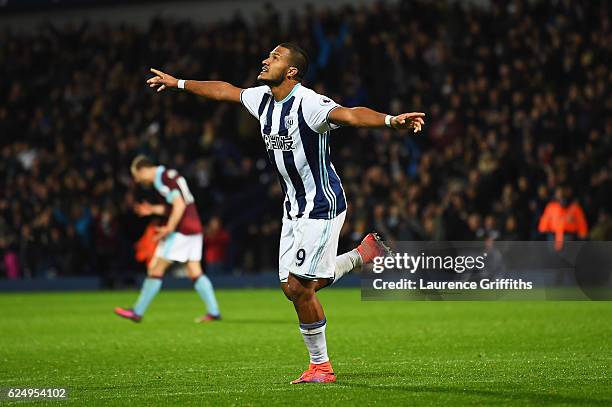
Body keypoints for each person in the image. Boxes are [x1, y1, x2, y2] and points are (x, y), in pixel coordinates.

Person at [146, 43, 425, 383]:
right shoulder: (262, 99)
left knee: (299, 286)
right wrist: (178, 83)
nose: (265, 60)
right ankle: (361, 255)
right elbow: (224, 91)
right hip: (292, 207)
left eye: (275, 58)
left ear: (291, 71)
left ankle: (321, 366)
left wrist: (390, 121)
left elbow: (350, 114)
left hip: (322, 204)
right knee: (290, 286)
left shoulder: (309, 103)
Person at [114, 155, 221, 323]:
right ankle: (214, 312)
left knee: (155, 268)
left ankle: (137, 311)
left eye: (136, 175)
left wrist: (169, 228)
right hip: (194, 226)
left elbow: (179, 205)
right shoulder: (169, 175)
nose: (136, 180)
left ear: (143, 170)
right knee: (194, 270)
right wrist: (153, 210)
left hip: (181, 230)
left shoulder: (161, 180)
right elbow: (175, 205)